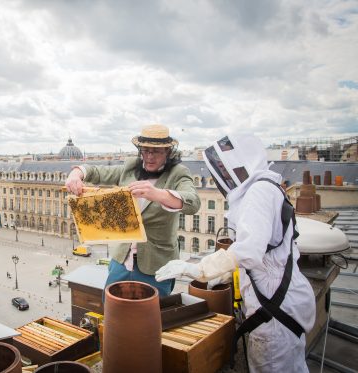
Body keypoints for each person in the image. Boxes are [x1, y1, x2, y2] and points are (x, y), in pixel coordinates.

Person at [155, 134, 315, 372]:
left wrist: (197, 269)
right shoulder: (266, 187)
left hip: (275, 310)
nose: (225, 174)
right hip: (281, 305)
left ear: (243, 161)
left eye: (225, 167)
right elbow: (265, 253)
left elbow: (249, 251)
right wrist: (222, 276)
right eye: (220, 168)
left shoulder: (259, 192)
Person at [65, 124, 200, 297]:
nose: (149, 157)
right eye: (145, 151)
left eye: (156, 152)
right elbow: (98, 171)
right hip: (121, 260)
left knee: (152, 315)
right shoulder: (131, 167)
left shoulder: (178, 173)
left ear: (168, 151)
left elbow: (193, 202)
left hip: (156, 264)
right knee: (113, 309)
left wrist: (158, 194)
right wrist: (77, 173)